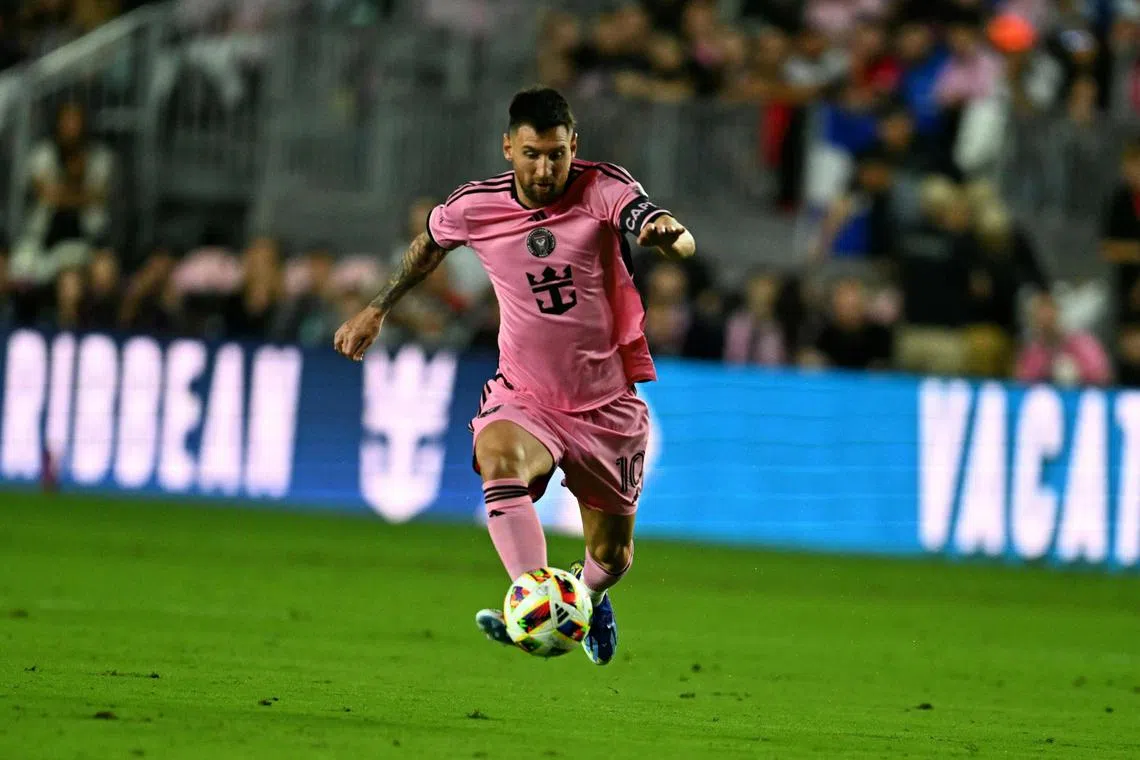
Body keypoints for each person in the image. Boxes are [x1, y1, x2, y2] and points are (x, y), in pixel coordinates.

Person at [334, 87, 696, 665]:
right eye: (532, 153)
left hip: (606, 406)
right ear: (508, 147)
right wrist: (378, 307)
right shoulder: (475, 207)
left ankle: (588, 596)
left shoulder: (601, 186)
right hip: (526, 396)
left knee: (613, 555)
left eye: (557, 153)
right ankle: (536, 603)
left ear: (574, 146)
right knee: (499, 455)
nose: (546, 167)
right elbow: (428, 247)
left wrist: (668, 236)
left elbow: (649, 217)